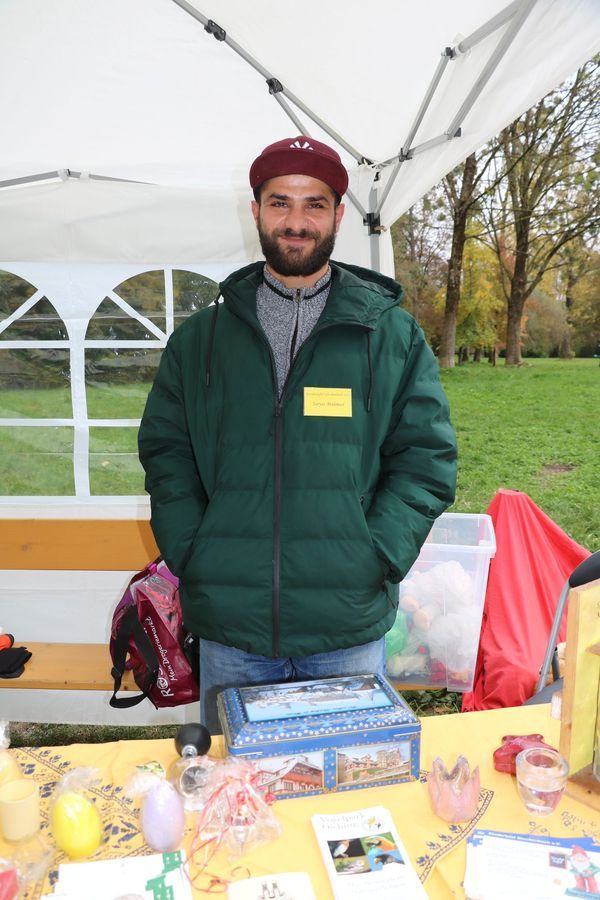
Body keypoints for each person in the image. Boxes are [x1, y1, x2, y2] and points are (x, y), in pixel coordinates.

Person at [138, 135, 457, 733]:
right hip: (232, 625)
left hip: (346, 623)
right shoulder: (199, 341)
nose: (296, 221)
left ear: (338, 215)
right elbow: (166, 454)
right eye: (280, 202)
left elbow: (426, 460)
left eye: (314, 204)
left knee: (339, 790)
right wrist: (195, 552)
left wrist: (376, 554)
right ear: (255, 211)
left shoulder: (391, 336)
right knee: (239, 799)